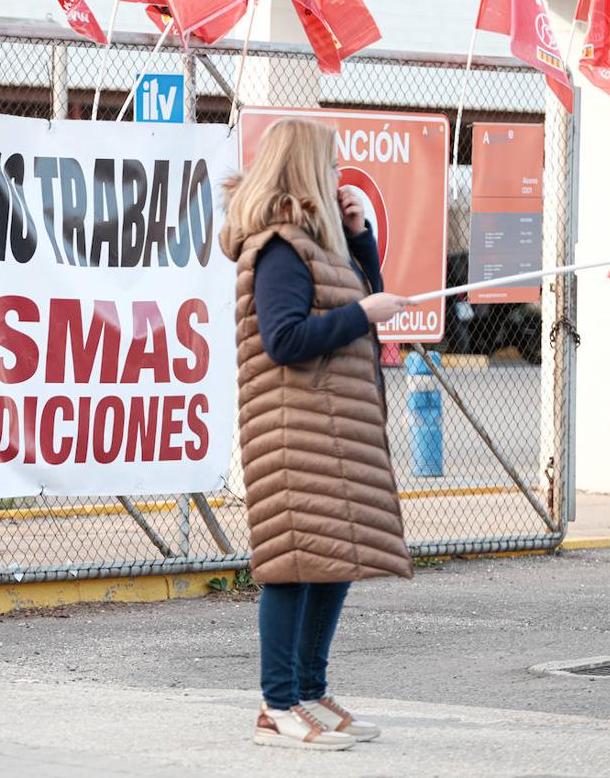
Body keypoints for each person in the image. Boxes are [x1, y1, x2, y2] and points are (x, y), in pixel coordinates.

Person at [219, 117, 415, 751]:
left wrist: (362, 243)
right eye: (330, 167)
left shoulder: (320, 244)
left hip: (331, 430)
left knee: (335, 560)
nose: (339, 178)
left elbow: (362, 305)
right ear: (305, 170)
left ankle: (309, 691)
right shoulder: (279, 248)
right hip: (292, 428)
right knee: (293, 566)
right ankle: (277, 706)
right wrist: (361, 312)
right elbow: (285, 340)